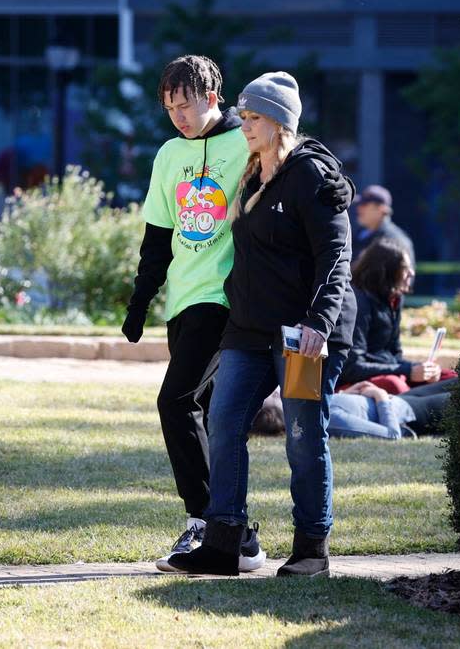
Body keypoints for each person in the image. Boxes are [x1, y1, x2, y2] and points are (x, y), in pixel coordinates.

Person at [166, 71, 356, 578]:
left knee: (301, 431)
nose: (244, 126)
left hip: (307, 336)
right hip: (250, 330)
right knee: (223, 421)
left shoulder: (312, 175)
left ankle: (312, 548)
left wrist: (319, 322)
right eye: (244, 116)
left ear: (280, 122)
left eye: (253, 118)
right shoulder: (252, 173)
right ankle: (224, 542)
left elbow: (335, 256)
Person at [121, 55, 265, 573]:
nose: (179, 116)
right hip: (181, 301)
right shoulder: (167, 155)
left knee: (174, 402)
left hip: (224, 300)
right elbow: (157, 237)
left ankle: (208, 524)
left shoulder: (245, 141)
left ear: (213, 96)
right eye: (169, 108)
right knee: (205, 414)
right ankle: (239, 536)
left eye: (186, 104)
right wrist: (141, 301)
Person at [339, 238, 455, 394]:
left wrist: (421, 370)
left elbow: (395, 354)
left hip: (386, 371)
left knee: (450, 377)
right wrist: (408, 371)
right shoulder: (358, 301)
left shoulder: (394, 299)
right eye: (405, 269)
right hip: (353, 382)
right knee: (396, 386)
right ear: (386, 271)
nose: (411, 273)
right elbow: (352, 367)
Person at [253, 381, 456, 440]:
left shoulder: (311, 410)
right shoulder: (328, 421)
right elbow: (392, 435)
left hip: (405, 400)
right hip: (412, 415)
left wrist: (348, 394)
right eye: (274, 396)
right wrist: (380, 397)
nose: (277, 391)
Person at [351, 184, 415, 278]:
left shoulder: (395, 240)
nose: (359, 208)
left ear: (381, 209)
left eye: (364, 204)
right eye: (359, 204)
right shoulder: (358, 234)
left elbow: (403, 279)